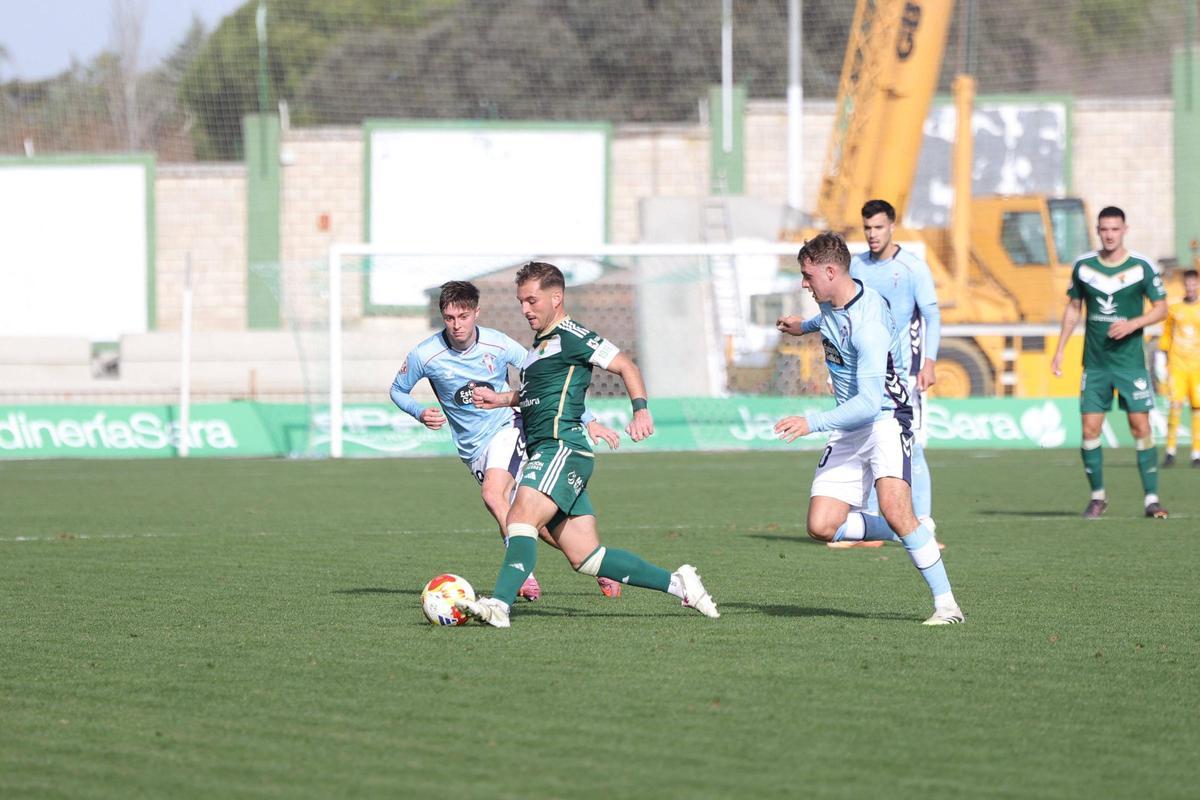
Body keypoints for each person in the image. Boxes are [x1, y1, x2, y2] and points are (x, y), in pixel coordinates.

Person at [457, 261, 719, 628]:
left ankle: (499, 605)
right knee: (586, 557)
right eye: (521, 302)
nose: (525, 309)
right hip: (555, 451)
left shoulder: (572, 335)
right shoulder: (540, 346)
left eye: (532, 301)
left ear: (556, 297)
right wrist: (500, 399)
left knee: (519, 516)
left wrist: (641, 411)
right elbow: (535, 395)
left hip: (560, 447)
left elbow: (626, 365)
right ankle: (680, 584)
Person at [390, 280, 625, 601]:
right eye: (449, 318)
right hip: (472, 449)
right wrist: (419, 412)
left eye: (463, 316)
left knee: (492, 494)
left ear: (476, 313)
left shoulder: (498, 344)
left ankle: (521, 572)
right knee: (536, 526)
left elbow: (546, 380)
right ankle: (598, 563)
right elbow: (397, 390)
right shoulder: (425, 354)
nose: (456, 325)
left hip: (509, 427)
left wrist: (589, 419)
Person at [773, 233, 963, 625]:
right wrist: (803, 326)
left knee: (895, 509)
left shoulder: (870, 325)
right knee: (821, 526)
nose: (803, 284)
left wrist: (811, 423)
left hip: (885, 418)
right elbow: (829, 322)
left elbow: (868, 401)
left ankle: (947, 605)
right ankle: (909, 529)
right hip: (849, 422)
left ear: (830, 271)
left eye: (808, 276)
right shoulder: (832, 300)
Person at [782, 198, 941, 549]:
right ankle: (889, 527)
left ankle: (919, 522)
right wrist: (806, 327)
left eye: (878, 227)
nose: (872, 234)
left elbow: (931, 314)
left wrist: (929, 360)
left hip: (898, 372)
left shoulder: (912, 268)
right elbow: (837, 314)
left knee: (910, 447)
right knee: (874, 454)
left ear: (892, 227)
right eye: (867, 227)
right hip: (859, 371)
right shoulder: (856, 270)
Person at [1050, 206, 1169, 519]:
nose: (1109, 235)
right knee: (1089, 429)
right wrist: (1060, 348)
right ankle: (1098, 497)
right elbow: (1074, 308)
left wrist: (1132, 324)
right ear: (1098, 230)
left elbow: (1161, 309)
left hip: (1131, 363)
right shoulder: (1084, 266)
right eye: (1104, 229)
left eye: (1115, 229)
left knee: (1140, 426)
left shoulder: (1142, 266)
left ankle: (1151, 499)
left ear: (1124, 230)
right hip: (1096, 363)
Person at [1156, 269, 1200, 467]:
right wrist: (1161, 356)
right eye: (1188, 284)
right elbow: (1166, 334)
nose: (1191, 288)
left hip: (1197, 367)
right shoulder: (1175, 309)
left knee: (1197, 409)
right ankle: (1170, 451)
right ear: (1185, 285)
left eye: (1194, 284)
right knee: (1175, 406)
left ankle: (1196, 453)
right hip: (1177, 366)